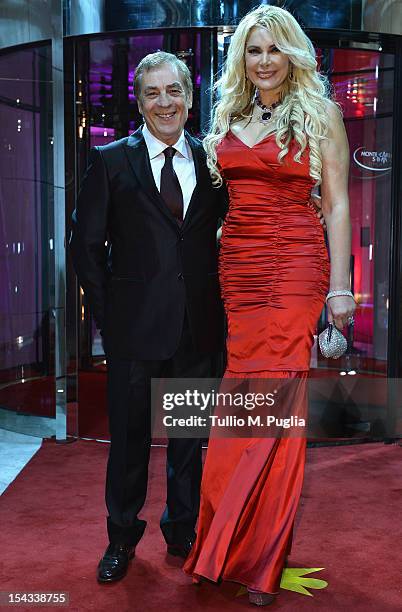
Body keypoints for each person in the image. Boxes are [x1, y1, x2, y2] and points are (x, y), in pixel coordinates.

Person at [183, 5, 356, 607]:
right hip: (240, 273)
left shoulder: (319, 113)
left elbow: (335, 205)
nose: (263, 62)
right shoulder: (228, 114)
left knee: (276, 408)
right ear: (242, 59)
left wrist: (342, 289)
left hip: (295, 267)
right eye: (253, 51)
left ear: (293, 54)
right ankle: (224, 545)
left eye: (274, 50)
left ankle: (259, 559)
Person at [70, 51, 228, 583]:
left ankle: (181, 529)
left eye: (174, 91)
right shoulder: (111, 160)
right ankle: (120, 536)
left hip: (197, 329)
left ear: (189, 98)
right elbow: (85, 247)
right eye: (153, 93)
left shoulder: (211, 163)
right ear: (139, 102)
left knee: (188, 441)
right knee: (130, 441)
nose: (165, 102)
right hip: (134, 331)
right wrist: (111, 321)